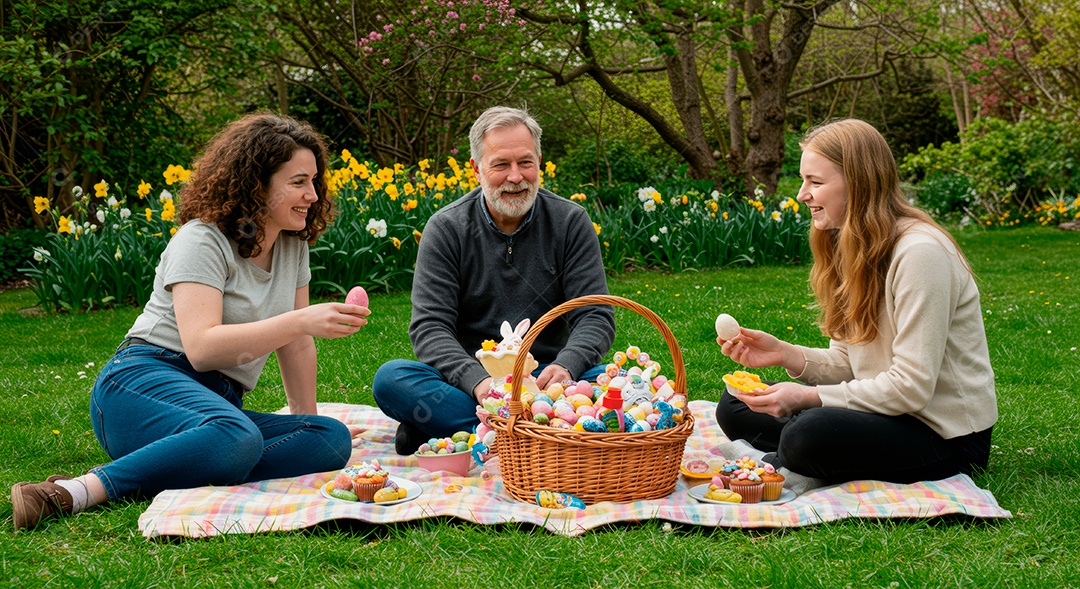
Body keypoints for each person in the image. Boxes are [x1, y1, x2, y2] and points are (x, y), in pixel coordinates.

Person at [11, 113, 369, 530]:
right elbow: (201, 348)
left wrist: (303, 419)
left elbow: (296, 344)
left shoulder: (293, 247)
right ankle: (73, 491)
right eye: (297, 182)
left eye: (314, 181)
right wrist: (301, 320)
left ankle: (181, 464)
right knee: (235, 436)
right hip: (142, 383)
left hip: (217, 406)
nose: (312, 194)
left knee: (328, 438)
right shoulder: (202, 239)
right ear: (257, 184)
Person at [715, 119, 997, 486]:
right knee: (735, 405)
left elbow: (912, 386)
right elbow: (852, 363)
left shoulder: (920, 254)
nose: (802, 194)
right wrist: (785, 354)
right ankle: (791, 455)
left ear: (859, 184)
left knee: (808, 431)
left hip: (944, 436)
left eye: (815, 182)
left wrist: (810, 398)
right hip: (884, 414)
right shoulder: (850, 245)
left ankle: (780, 459)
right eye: (804, 181)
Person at [372, 106, 615, 455]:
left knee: (625, 381)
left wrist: (567, 365)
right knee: (392, 379)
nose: (516, 177)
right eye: (501, 164)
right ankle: (538, 435)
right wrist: (479, 383)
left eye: (525, 163)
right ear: (476, 168)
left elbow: (595, 315)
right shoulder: (447, 228)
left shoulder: (570, 222)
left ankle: (455, 429)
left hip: (550, 379)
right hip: (470, 381)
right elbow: (430, 327)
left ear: (540, 162)